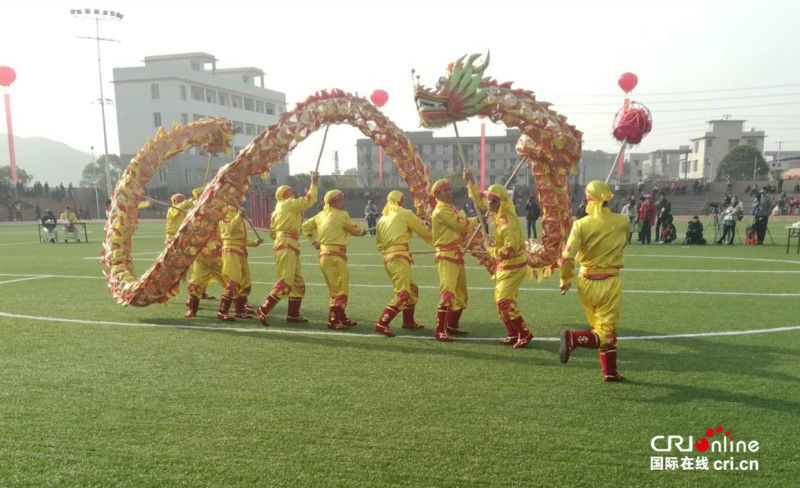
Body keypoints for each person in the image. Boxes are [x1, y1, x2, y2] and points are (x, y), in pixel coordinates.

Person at [558, 180, 629, 382]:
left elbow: (566, 258)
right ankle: (573, 339)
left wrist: (565, 279)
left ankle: (610, 372)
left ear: (588, 200)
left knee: (600, 328)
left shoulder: (580, 225)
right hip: (608, 282)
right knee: (607, 333)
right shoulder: (623, 221)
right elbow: (623, 242)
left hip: (585, 282)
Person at [467, 172, 534, 348]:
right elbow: (479, 200)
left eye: (493, 201)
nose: (489, 204)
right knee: (500, 300)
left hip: (514, 265)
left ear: (502, 202)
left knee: (504, 300)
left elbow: (509, 250)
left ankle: (524, 333)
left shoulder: (506, 221)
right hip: (505, 266)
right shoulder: (497, 211)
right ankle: (513, 333)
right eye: (490, 200)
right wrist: (471, 182)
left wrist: (490, 249)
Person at [256, 173, 319, 326]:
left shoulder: (277, 209)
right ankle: (264, 309)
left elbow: (272, 233)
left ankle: (293, 314)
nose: (293, 194)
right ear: (287, 194)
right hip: (287, 244)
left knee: (297, 282)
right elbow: (310, 200)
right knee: (286, 281)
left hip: (285, 243)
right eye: (291, 192)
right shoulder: (289, 203)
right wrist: (314, 183)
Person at [302, 190, 367, 330]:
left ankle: (341, 316)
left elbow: (305, 226)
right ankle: (333, 320)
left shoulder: (320, 215)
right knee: (340, 288)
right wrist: (362, 231)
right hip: (335, 257)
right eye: (341, 200)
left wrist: (314, 242)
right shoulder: (342, 215)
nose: (343, 203)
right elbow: (354, 230)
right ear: (333, 202)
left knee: (336, 287)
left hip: (325, 256)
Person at [372, 190, 433, 337]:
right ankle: (382, 323)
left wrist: (396, 250)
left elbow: (379, 245)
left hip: (389, 258)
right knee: (403, 293)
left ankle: (408, 322)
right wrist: (440, 239)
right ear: (399, 200)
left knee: (412, 289)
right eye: (403, 199)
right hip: (399, 259)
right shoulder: (405, 213)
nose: (404, 201)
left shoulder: (382, 219)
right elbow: (423, 232)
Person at [430, 179, 478, 342]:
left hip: (455, 254)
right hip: (446, 256)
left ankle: (451, 325)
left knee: (461, 294)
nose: (449, 192)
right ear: (437, 194)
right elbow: (461, 225)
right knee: (448, 292)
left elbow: (462, 224)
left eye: (450, 189)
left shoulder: (450, 208)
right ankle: (440, 329)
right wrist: (477, 220)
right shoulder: (441, 211)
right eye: (445, 190)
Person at [217, 205, 264, 321]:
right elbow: (230, 230)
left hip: (240, 251)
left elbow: (240, 238)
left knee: (245, 281)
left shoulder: (237, 214)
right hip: (230, 250)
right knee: (234, 280)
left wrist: (254, 242)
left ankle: (239, 310)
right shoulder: (224, 214)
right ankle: (222, 311)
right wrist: (239, 216)